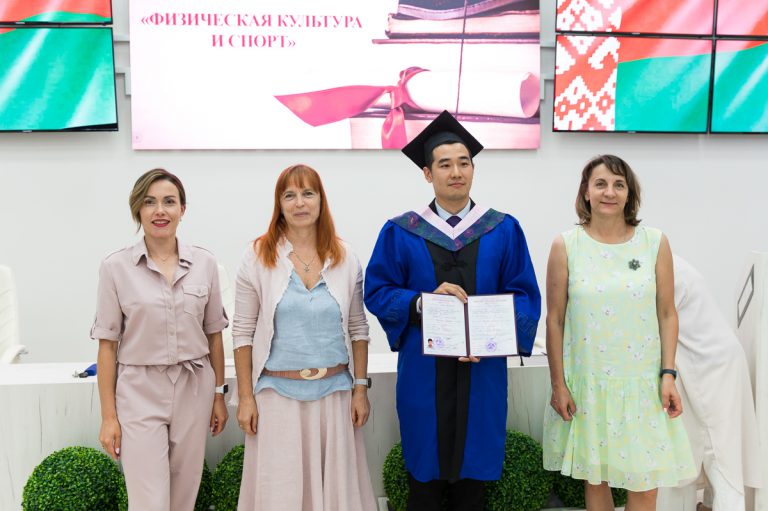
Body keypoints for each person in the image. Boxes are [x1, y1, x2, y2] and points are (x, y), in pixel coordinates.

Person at [364, 110, 541, 511]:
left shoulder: (502, 229)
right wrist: (420, 302)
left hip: (483, 371)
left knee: (472, 490)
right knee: (423, 485)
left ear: (473, 169)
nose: (456, 172)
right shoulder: (401, 231)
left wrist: (491, 337)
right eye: (444, 164)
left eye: (464, 163)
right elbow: (378, 290)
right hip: (423, 373)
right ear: (428, 173)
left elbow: (525, 294)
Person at [542, 155, 696, 510]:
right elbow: (555, 320)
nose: (609, 192)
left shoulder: (654, 242)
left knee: (645, 486)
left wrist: (668, 374)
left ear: (629, 194)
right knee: (597, 481)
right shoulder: (566, 246)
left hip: (643, 386)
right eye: (600, 184)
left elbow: (667, 313)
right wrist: (558, 384)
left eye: (618, 185)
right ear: (586, 192)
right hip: (590, 383)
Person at [232, 164, 377, 511]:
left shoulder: (345, 257)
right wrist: (246, 398)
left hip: (335, 397)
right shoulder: (257, 257)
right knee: (280, 496)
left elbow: (358, 328)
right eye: (290, 195)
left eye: (308, 193)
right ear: (279, 204)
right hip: (276, 397)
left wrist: (360, 389)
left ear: (321, 200)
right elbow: (242, 332)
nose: (300, 203)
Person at [92, 168, 229, 510]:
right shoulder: (115, 267)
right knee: (148, 499)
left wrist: (218, 395)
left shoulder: (205, 263)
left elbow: (214, 336)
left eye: (169, 201)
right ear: (137, 209)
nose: (160, 211)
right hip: (139, 390)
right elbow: (107, 346)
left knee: (184, 493)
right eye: (149, 202)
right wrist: (109, 416)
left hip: (194, 386)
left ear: (183, 208)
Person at [656, 255, 762, 511]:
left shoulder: (660, 265)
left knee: (720, 457)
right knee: (710, 453)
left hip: (713, 366)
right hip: (710, 362)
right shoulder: (667, 261)